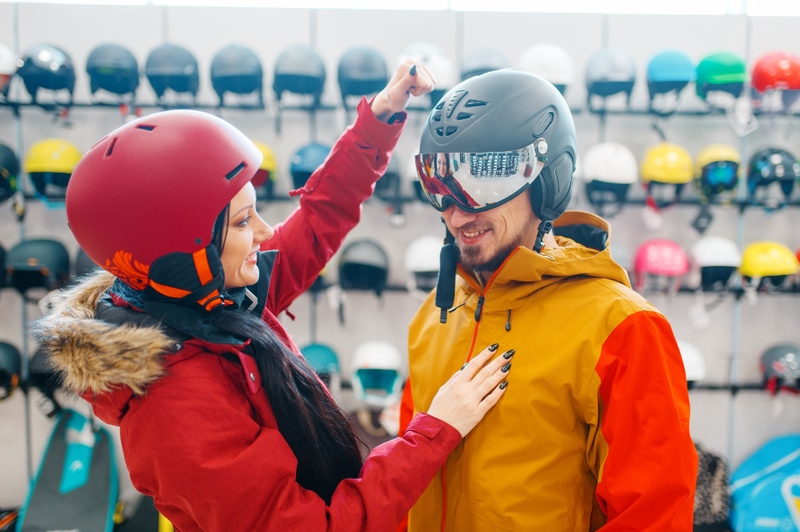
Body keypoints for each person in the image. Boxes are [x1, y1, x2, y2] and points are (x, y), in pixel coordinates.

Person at [34, 62, 513, 532]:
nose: (264, 233)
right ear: (183, 252)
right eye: (243, 222)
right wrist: (435, 430)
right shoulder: (176, 406)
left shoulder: (210, 304)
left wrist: (379, 120)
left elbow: (318, 218)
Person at [398, 69, 697, 531]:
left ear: (547, 181)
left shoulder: (622, 329)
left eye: (482, 181)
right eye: (439, 183)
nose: (457, 211)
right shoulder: (434, 317)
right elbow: (405, 487)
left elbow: (653, 515)